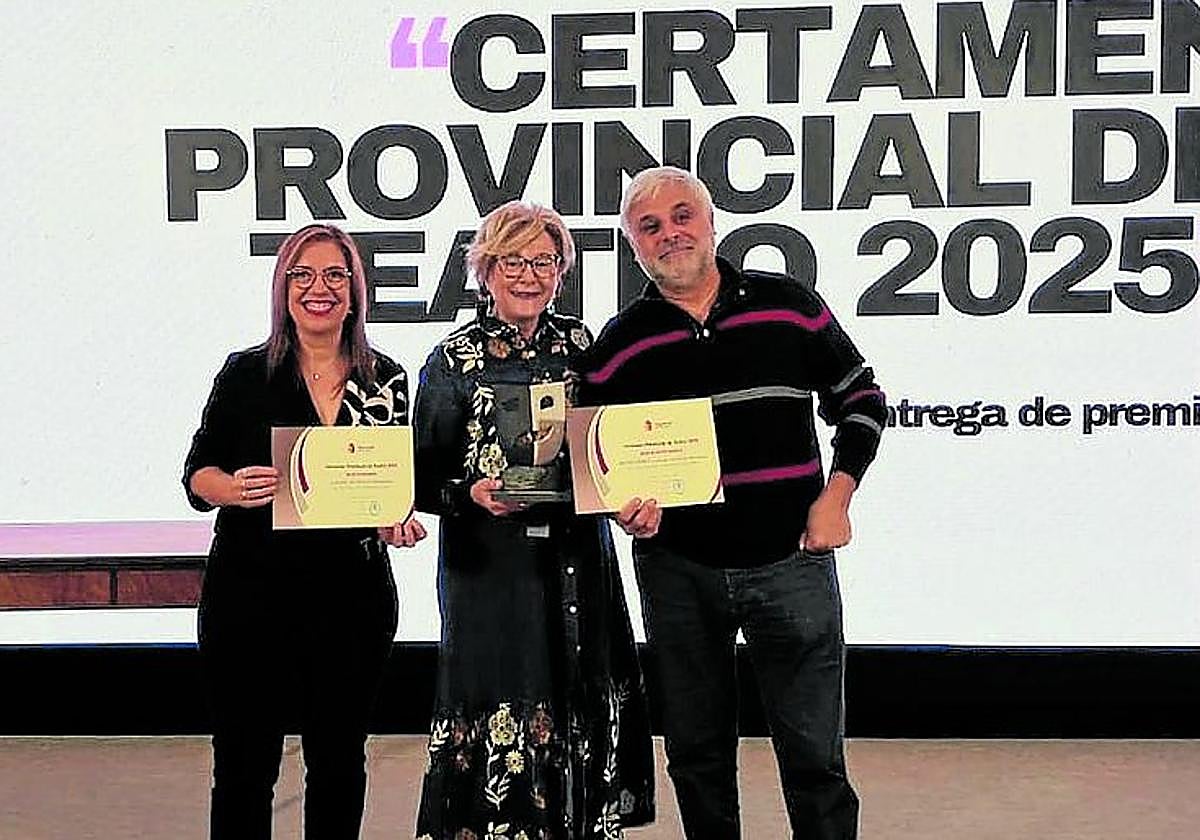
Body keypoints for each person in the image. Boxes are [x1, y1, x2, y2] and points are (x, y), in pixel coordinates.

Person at [575, 167, 887, 840]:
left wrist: (838, 494)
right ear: (632, 244)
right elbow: (591, 458)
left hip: (792, 561)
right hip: (678, 570)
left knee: (814, 759)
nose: (670, 234)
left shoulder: (788, 304)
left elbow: (861, 400)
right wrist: (621, 506)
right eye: (649, 226)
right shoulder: (621, 341)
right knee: (696, 756)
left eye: (683, 216)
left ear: (712, 223)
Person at [412, 201, 658, 840]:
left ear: (562, 269)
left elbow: (614, 441)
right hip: (491, 570)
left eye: (544, 261)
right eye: (512, 261)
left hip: (577, 558)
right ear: (485, 271)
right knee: (502, 704)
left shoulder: (580, 343)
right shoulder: (451, 360)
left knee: (580, 692)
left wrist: (637, 487)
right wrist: (470, 492)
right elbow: (418, 477)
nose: (529, 275)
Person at [183, 223, 427, 840]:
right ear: (283, 287)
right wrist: (232, 489)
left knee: (339, 763)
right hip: (251, 596)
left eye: (335, 275)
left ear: (355, 290)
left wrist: (397, 518)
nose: (319, 289)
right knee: (244, 767)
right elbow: (196, 474)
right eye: (303, 274)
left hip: (352, 599)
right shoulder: (245, 373)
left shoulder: (387, 376)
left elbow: (391, 482)